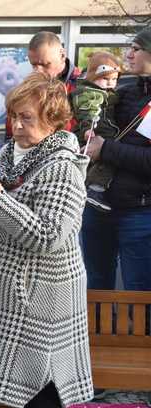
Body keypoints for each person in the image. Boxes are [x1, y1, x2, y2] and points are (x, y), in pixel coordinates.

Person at [0, 72, 93, 408]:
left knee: (43, 402)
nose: (17, 126)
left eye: (27, 118)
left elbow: (50, 236)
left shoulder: (64, 168)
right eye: (13, 116)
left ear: (52, 121)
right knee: (23, 402)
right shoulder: (6, 153)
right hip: (6, 298)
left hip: (42, 303)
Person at [82, 28, 151, 292]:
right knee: (95, 287)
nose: (128, 55)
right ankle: (96, 334)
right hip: (98, 207)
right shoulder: (123, 91)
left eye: (136, 48)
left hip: (140, 211)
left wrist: (105, 149)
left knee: (139, 291)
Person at [5, 31, 81, 140]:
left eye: (45, 64)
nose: (38, 70)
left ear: (62, 55)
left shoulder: (83, 88)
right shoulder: (28, 85)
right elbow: (11, 126)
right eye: (33, 64)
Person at [70, 51, 121, 212]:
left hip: (104, 129)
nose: (110, 83)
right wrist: (87, 129)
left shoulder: (104, 92)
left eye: (114, 79)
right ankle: (96, 190)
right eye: (105, 79)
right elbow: (87, 112)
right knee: (107, 159)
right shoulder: (90, 93)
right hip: (97, 130)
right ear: (92, 76)